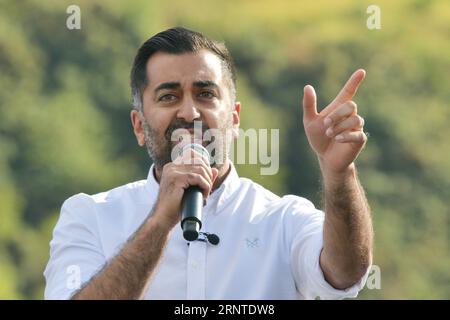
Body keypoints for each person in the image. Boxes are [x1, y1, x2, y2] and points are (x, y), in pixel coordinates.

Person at [44, 27, 373, 300]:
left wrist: (339, 173)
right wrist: (160, 221)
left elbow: (345, 273)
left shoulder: (283, 221)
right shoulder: (90, 216)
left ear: (234, 118)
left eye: (205, 94)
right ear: (139, 126)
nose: (189, 113)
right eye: (168, 96)